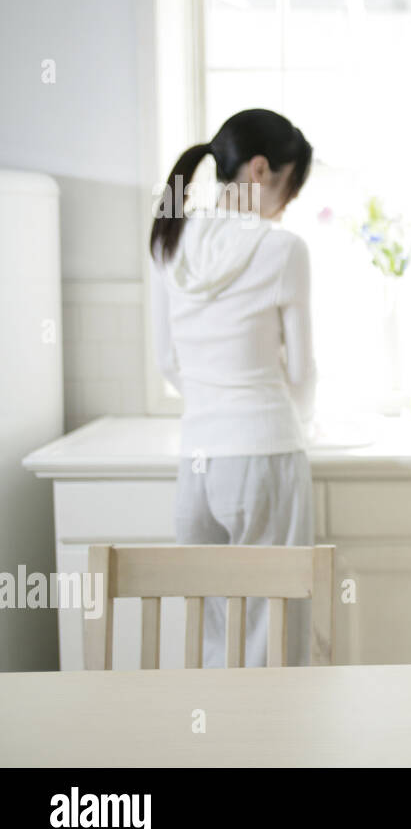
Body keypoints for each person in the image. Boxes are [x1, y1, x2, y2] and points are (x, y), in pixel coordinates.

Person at [149, 108, 316, 668]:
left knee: (209, 630)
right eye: (289, 187)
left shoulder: (168, 239)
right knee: (275, 626)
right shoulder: (282, 249)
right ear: (261, 169)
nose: (286, 204)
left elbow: (165, 359)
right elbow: (301, 373)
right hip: (266, 452)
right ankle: (280, 750)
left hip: (196, 458)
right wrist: (302, 420)